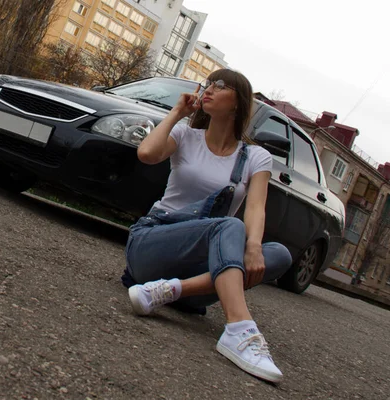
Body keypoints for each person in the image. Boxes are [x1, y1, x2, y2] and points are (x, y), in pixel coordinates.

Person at [123, 69, 293, 383]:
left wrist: (254, 248)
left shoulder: (256, 157)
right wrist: (177, 113)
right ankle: (239, 329)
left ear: (238, 104)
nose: (209, 89)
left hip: (195, 275)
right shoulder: (186, 135)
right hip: (152, 244)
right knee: (229, 226)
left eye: (220, 85)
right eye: (207, 84)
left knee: (278, 254)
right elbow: (146, 153)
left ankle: (170, 291)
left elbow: (255, 207)